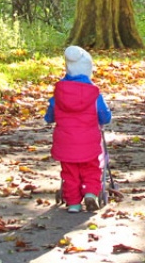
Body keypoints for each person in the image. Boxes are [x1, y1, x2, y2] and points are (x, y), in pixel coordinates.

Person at [45, 45, 112, 213]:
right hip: (89, 143)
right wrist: (104, 119)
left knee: (69, 173)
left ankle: (74, 203)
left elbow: (49, 116)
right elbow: (105, 116)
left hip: (66, 143)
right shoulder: (94, 95)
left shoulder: (58, 95)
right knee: (91, 168)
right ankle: (90, 193)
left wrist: (51, 117)